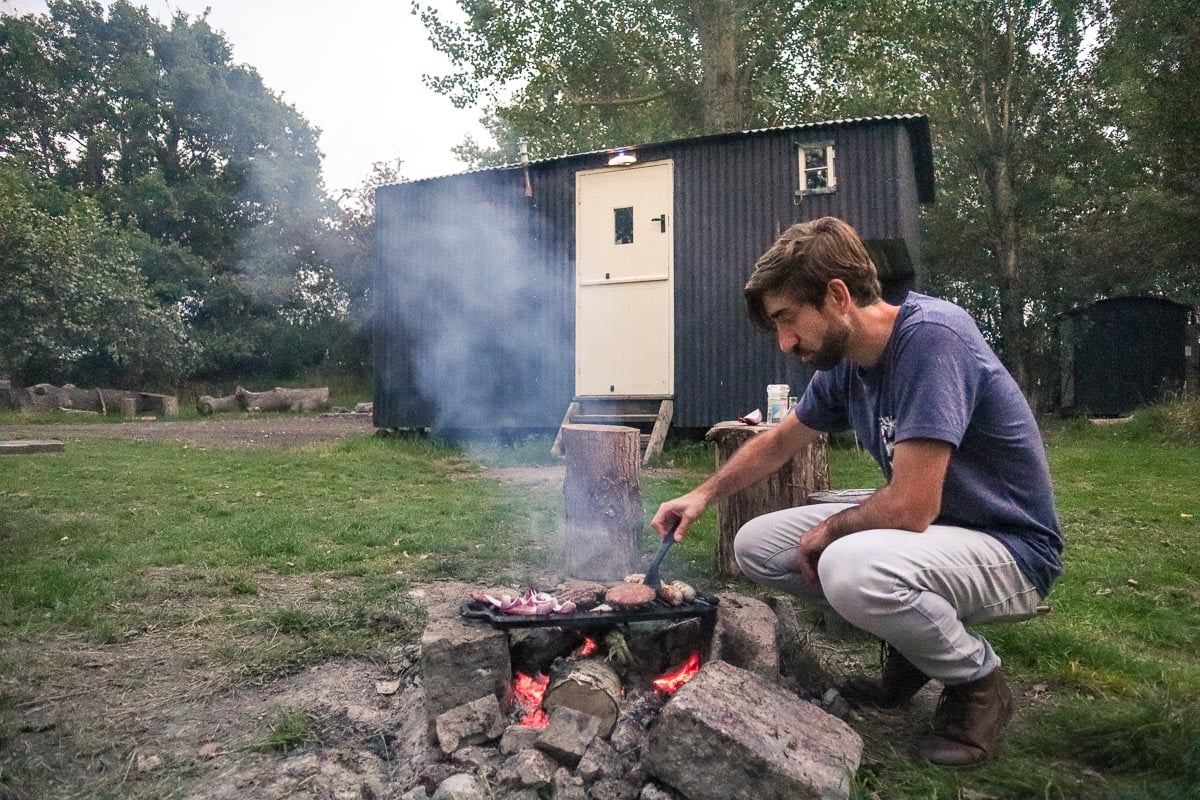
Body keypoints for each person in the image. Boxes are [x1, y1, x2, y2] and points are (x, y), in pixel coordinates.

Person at [651, 216, 1063, 767]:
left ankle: (977, 684)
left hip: (1010, 548)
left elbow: (912, 507)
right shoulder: (848, 364)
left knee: (849, 565)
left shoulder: (932, 340)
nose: (786, 342)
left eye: (788, 319)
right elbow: (780, 442)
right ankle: (916, 647)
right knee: (755, 545)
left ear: (838, 296)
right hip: (940, 534)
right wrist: (700, 496)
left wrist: (829, 529)